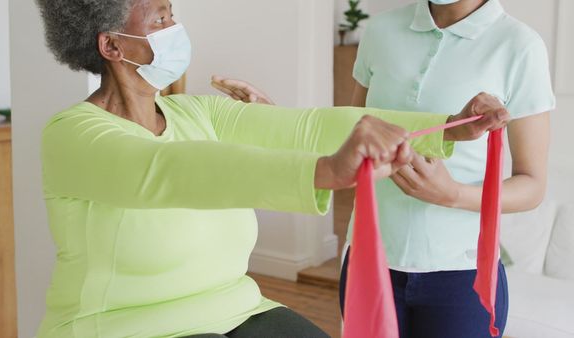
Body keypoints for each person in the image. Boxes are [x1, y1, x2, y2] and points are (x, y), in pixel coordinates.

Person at [34, 0, 509, 337]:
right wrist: (323, 171)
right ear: (112, 46)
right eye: (161, 18)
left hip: (235, 307)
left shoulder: (194, 113)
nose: (175, 26)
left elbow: (304, 128)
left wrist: (448, 128)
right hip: (122, 326)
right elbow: (173, 170)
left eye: (174, 14)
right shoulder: (72, 134)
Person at [214, 1, 554, 337]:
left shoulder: (519, 45)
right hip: (368, 262)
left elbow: (532, 185)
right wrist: (271, 117)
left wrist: (451, 195)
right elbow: (349, 139)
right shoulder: (381, 30)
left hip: (462, 275)